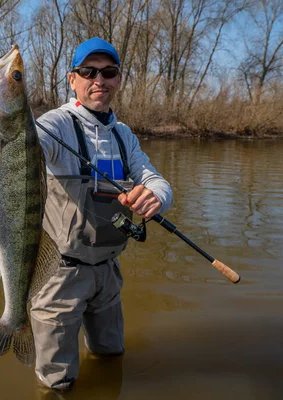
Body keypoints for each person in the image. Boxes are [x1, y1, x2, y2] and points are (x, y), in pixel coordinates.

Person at [31, 37, 174, 391]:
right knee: (56, 383)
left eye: (108, 72)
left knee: (111, 355)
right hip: (60, 272)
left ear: (118, 79)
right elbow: (27, 144)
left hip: (108, 271)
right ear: (72, 79)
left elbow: (155, 180)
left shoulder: (123, 135)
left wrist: (155, 198)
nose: (99, 80)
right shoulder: (55, 125)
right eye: (88, 71)